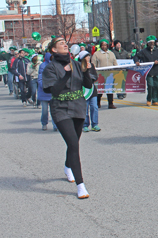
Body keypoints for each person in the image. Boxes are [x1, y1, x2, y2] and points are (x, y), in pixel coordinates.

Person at [42, 36, 93, 199]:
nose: (65, 45)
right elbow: (53, 91)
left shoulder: (77, 65)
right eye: (61, 44)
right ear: (54, 50)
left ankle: (67, 166)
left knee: (74, 143)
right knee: (72, 143)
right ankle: (81, 186)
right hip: (60, 108)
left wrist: (86, 71)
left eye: (66, 43)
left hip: (78, 106)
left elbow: (88, 86)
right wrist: (65, 75)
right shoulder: (50, 68)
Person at [134, 35, 158, 106]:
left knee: (156, 86)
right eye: (150, 43)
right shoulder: (144, 51)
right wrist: (137, 61)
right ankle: (149, 99)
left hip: (156, 70)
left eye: (153, 43)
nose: (152, 44)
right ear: (148, 43)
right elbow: (136, 56)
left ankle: (155, 100)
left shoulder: (157, 51)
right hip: (148, 71)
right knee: (150, 85)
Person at [91, 39, 118, 109]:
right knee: (100, 90)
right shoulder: (96, 54)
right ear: (100, 46)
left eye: (105, 45)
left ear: (107, 46)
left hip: (109, 74)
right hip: (100, 74)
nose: (104, 46)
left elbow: (115, 63)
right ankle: (97, 102)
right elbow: (93, 64)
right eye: (102, 45)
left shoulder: (111, 54)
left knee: (110, 89)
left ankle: (111, 103)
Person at [79, 51, 100, 133]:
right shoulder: (79, 66)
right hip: (83, 90)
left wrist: (91, 78)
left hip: (92, 89)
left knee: (94, 107)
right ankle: (85, 125)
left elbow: (95, 76)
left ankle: (95, 124)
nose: (88, 58)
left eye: (88, 56)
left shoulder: (92, 66)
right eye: (86, 57)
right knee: (85, 108)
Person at [37, 52, 58, 131]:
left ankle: (55, 125)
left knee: (54, 110)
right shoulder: (43, 65)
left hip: (54, 91)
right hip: (44, 91)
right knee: (45, 110)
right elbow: (40, 78)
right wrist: (45, 86)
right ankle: (44, 123)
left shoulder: (56, 65)